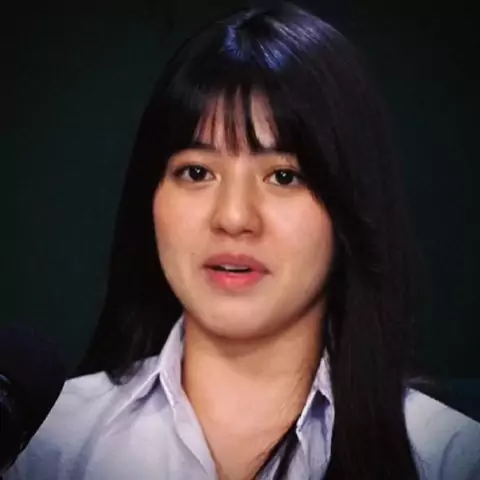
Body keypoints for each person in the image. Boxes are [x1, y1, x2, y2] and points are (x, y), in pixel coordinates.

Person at [5, 3, 480, 479]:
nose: (234, 218)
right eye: (197, 172)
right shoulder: (49, 444)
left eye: (284, 176)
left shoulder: (451, 458)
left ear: (350, 205)